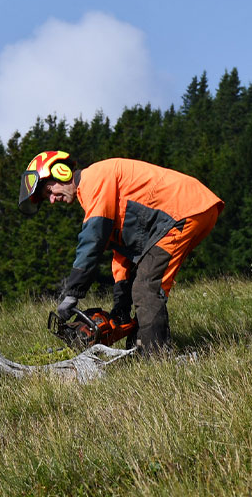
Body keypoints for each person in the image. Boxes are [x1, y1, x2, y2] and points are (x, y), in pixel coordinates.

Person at [18, 151, 223, 354]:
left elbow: (92, 239)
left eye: (48, 191)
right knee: (146, 284)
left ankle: (157, 359)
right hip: (187, 212)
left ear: (61, 171)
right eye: (47, 198)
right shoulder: (97, 196)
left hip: (182, 210)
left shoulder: (94, 179)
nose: (52, 200)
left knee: (146, 287)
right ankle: (142, 344)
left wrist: (73, 293)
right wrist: (120, 308)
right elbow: (124, 254)